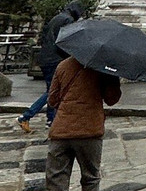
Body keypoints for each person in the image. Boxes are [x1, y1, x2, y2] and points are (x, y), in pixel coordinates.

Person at [44, 56, 121, 191]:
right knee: (90, 178)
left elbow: (52, 100)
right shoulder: (104, 68)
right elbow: (111, 99)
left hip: (61, 131)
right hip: (89, 131)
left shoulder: (63, 65)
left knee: (55, 179)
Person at [18, 1, 84, 133]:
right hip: (55, 60)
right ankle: (26, 116)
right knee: (53, 92)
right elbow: (65, 42)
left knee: (52, 89)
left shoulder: (56, 18)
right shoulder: (67, 20)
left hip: (45, 58)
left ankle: (51, 120)